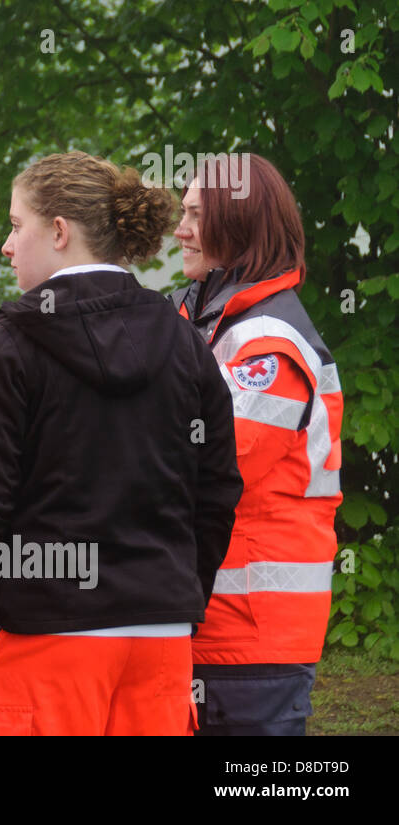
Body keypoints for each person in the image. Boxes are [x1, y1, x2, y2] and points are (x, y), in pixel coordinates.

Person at [0, 151, 243, 735]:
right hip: (158, 639)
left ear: (59, 232)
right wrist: (178, 596)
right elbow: (218, 489)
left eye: (15, 225)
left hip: (47, 634)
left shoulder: (8, 344)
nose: (7, 246)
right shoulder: (185, 340)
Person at [171, 153, 343, 735]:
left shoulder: (270, 343)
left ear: (237, 224)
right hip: (209, 621)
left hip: (251, 636)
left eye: (196, 214)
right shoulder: (205, 320)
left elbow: (204, 459)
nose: (180, 229)